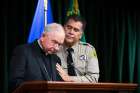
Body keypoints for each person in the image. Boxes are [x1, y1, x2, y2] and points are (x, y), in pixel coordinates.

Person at [9, 23, 65, 92]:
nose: (57, 48)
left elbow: (59, 86)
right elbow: (15, 83)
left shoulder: (56, 59)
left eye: (59, 44)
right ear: (43, 36)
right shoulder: (23, 51)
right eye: (54, 42)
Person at [56, 15, 99, 82]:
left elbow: (93, 78)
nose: (71, 32)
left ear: (81, 35)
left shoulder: (88, 50)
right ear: (63, 28)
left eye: (76, 30)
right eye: (69, 27)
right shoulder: (54, 47)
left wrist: (69, 78)